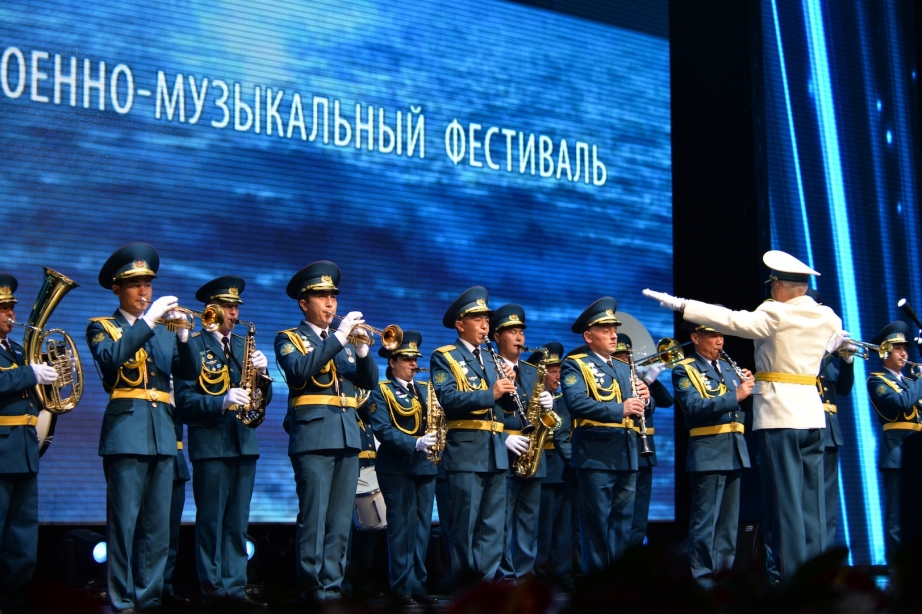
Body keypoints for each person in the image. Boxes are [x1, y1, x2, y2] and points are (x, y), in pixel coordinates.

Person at [644, 249, 847, 582]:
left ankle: (791, 581)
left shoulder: (774, 313)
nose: (770, 291)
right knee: (814, 503)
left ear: (782, 286)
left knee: (785, 505)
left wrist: (681, 304)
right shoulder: (829, 317)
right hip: (813, 416)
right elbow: (825, 349)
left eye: (773, 285)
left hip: (780, 416)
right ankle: (817, 578)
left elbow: (734, 320)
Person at [86, 242, 189, 612]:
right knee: (124, 524)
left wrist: (184, 341)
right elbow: (112, 360)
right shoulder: (102, 327)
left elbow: (187, 376)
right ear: (117, 289)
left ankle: (150, 597)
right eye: (134, 284)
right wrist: (149, 323)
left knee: (157, 527)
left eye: (147, 283)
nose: (144, 291)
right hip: (126, 432)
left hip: (162, 433)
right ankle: (122, 599)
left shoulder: (163, 331)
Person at [274, 261, 378, 603]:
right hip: (314, 438)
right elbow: (300, 370)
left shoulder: (344, 343)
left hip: (347, 437)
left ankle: (332, 586)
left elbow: (369, 382)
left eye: (333, 296)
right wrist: (339, 337)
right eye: (322, 296)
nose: (330, 304)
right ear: (304, 303)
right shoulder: (289, 339)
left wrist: (363, 352)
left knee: (339, 521)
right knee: (314, 516)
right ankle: (311, 587)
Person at [174, 275, 270, 608]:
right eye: (227, 307)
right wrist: (221, 401)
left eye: (236, 307)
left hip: (244, 442)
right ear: (210, 309)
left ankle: (235, 587)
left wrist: (265, 375)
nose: (233, 313)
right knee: (212, 520)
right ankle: (213, 589)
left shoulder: (246, 346)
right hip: (211, 444)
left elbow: (259, 400)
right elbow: (184, 401)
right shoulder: (194, 345)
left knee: (237, 521)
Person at [560, 297, 650, 574]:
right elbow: (577, 403)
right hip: (595, 455)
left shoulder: (624, 367)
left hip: (627, 452)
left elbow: (643, 405)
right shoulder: (575, 365)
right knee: (597, 526)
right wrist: (619, 409)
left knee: (624, 524)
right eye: (605, 329)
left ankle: (619, 585)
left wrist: (647, 399)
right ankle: (597, 588)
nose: (614, 334)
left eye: (614, 328)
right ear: (589, 336)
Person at [430, 286, 514, 583]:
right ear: (460, 324)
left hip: (495, 450)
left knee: (492, 525)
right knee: (464, 525)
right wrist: (491, 393)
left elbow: (502, 409)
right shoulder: (445, 357)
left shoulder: (492, 359)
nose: (484, 325)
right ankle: (466, 587)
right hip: (465, 451)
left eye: (487, 320)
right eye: (477, 319)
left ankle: (487, 584)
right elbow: (449, 399)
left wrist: (508, 392)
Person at [672, 321, 752, 588]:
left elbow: (738, 410)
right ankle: (702, 580)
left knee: (729, 523)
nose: (720, 341)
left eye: (721, 335)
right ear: (695, 337)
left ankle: (724, 578)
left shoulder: (729, 369)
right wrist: (736, 395)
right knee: (704, 521)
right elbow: (694, 405)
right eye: (712, 336)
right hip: (707, 450)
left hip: (734, 449)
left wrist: (748, 387)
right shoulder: (685, 369)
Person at [368, 330, 439, 606]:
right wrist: (416, 442)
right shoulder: (381, 390)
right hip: (396, 467)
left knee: (422, 528)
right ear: (392, 361)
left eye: (415, 359)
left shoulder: (424, 389)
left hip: (425, 467)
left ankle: (419, 584)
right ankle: (401, 587)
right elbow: (383, 430)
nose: (413, 364)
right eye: (407, 359)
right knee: (400, 527)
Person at [0, 274, 57, 612]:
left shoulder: (21, 351)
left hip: (23, 449)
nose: (10, 313)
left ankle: (14, 596)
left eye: (10, 307)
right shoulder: (23, 361)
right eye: (3, 308)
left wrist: (51, 380)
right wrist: (30, 374)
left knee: (22, 536)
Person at [491, 305, 555, 582]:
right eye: (512, 332)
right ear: (497, 336)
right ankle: (505, 577)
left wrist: (548, 407)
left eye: (521, 332)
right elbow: (481, 412)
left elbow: (539, 415)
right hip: (502, 452)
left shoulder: (531, 371)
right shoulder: (488, 367)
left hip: (531, 452)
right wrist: (504, 437)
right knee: (501, 520)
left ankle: (526, 576)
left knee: (529, 521)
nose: (519, 338)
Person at [866, 320, 922, 565]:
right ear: (885, 351)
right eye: (898, 348)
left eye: (905, 349)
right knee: (897, 518)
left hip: (916, 451)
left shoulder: (910, 382)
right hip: (897, 453)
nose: (904, 353)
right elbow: (901, 404)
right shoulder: (877, 381)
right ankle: (897, 572)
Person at [612, 334, 672, 547]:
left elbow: (666, 401)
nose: (624, 360)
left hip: (644, 455)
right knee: (620, 515)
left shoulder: (638, 376)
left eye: (626, 356)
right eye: (618, 356)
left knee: (639, 515)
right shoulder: (609, 379)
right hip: (621, 452)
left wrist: (648, 381)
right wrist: (646, 380)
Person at [805, 289, 853, 550]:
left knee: (829, 502)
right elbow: (807, 371)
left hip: (831, 431)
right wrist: (830, 351)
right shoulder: (801, 347)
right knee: (810, 501)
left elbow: (843, 390)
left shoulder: (827, 352)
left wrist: (847, 362)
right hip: (809, 427)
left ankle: (825, 560)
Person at [532, 343, 573, 587]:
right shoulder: (532, 397)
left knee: (564, 528)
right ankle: (540, 576)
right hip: (542, 466)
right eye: (553, 371)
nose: (558, 376)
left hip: (563, 469)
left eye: (560, 371)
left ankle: (562, 574)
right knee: (542, 528)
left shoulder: (565, 398)